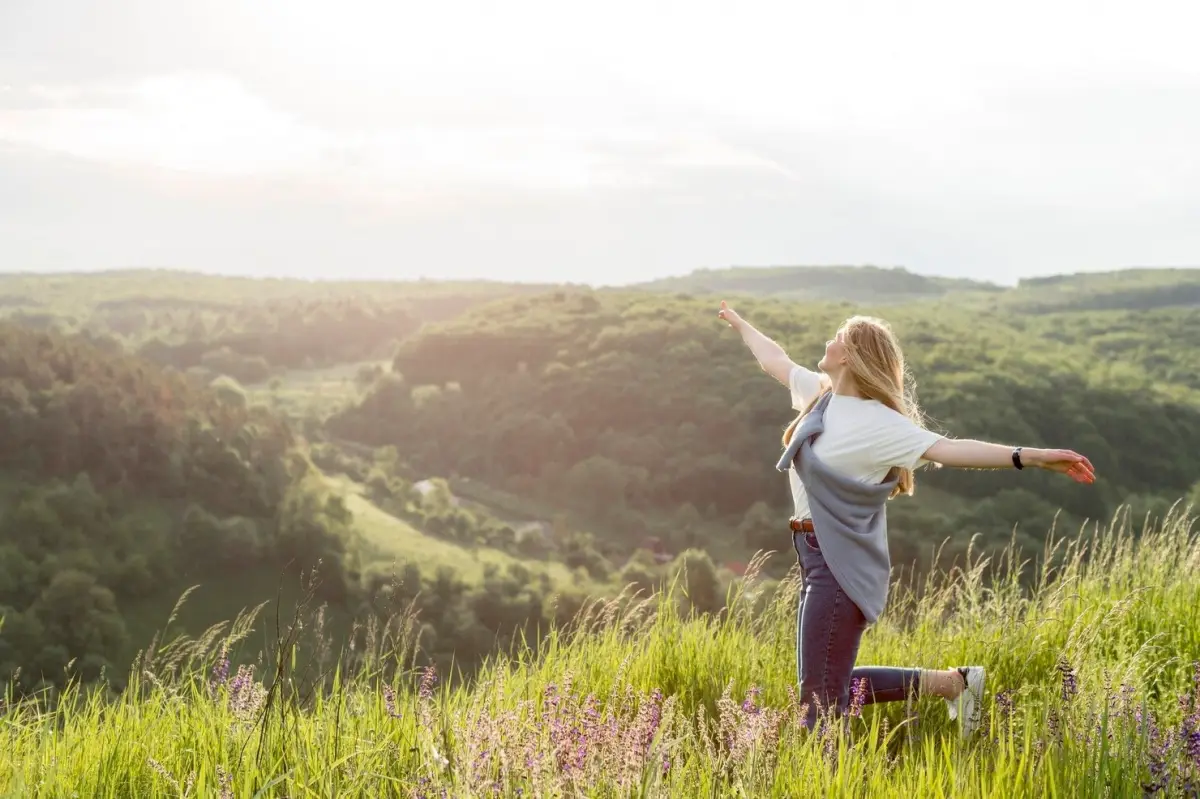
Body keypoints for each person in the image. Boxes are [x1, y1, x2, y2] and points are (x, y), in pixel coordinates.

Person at [718, 301, 1094, 736]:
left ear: (851, 355)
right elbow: (775, 361)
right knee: (825, 687)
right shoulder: (821, 395)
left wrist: (1031, 457)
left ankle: (826, 776)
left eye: (838, 336)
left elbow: (950, 450)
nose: (829, 340)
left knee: (819, 703)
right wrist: (740, 323)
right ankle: (954, 684)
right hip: (812, 556)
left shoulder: (881, 425)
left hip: (838, 564)